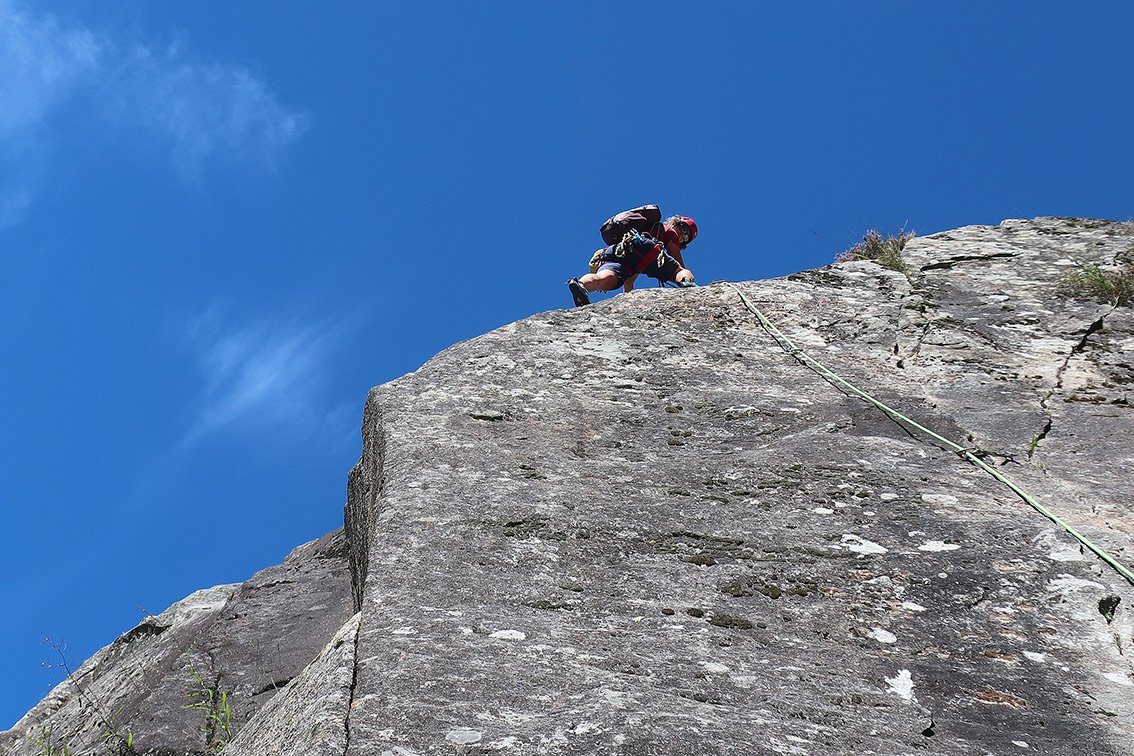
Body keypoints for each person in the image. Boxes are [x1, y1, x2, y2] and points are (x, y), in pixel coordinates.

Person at [567, 215, 698, 307]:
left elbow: (635, 270)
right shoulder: (668, 230)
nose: (683, 237)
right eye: (684, 230)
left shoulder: (644, 227)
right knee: (680, 271)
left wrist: (628, 295)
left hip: (619, 251)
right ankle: (687, 284)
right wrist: (681, 274)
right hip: (646, 247)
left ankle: (581, 285)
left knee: (607, 278)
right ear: (676, 223)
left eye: (686, 238)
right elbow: (678, 263)